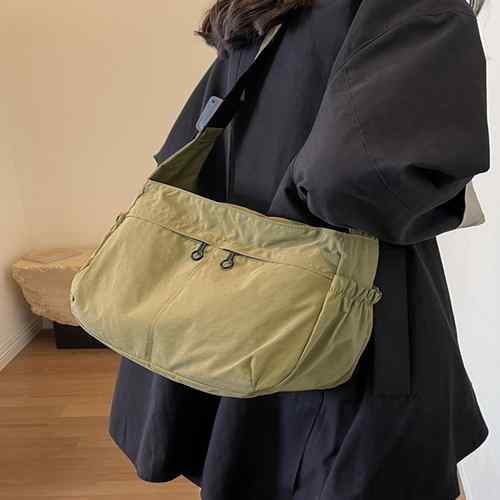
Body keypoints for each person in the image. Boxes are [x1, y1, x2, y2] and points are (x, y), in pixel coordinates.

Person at [108, 1, 490, 498]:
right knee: (341, 464)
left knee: (253, 459)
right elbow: (350, 176)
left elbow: (191, 136)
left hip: (233, 294)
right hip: (342, 301)